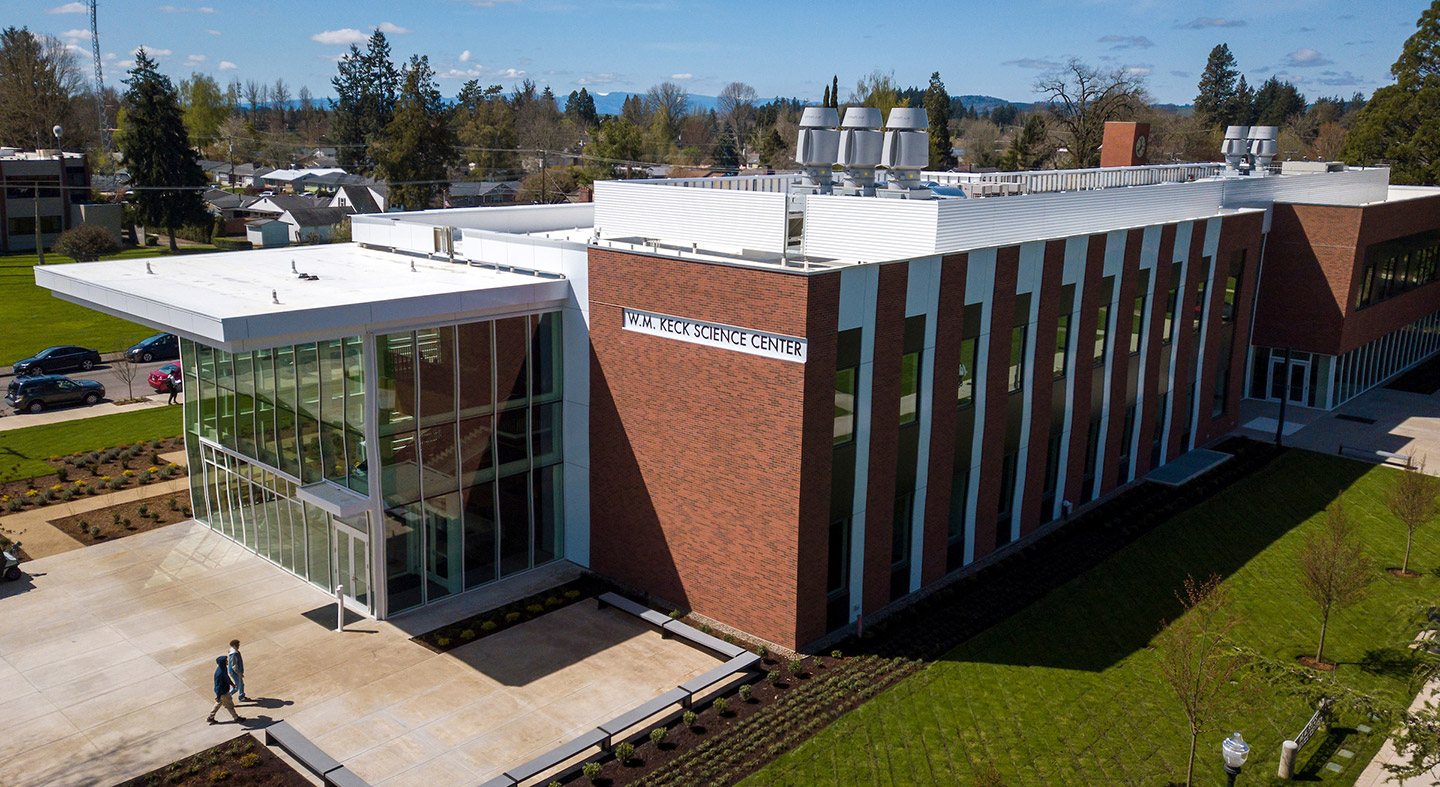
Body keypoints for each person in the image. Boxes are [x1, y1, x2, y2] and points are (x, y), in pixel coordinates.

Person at [207, 655, 244, 724]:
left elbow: (226, 677)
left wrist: (232, 684)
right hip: (223, 692)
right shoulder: (220, 673)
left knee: (219, 703)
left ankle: (211, 717)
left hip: (222, 692)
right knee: (229, 705)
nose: (227, 662)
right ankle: (236, 718)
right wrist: (218, 696)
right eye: (226, 661)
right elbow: (219, 686)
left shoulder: (222, 669)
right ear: (223, 662)